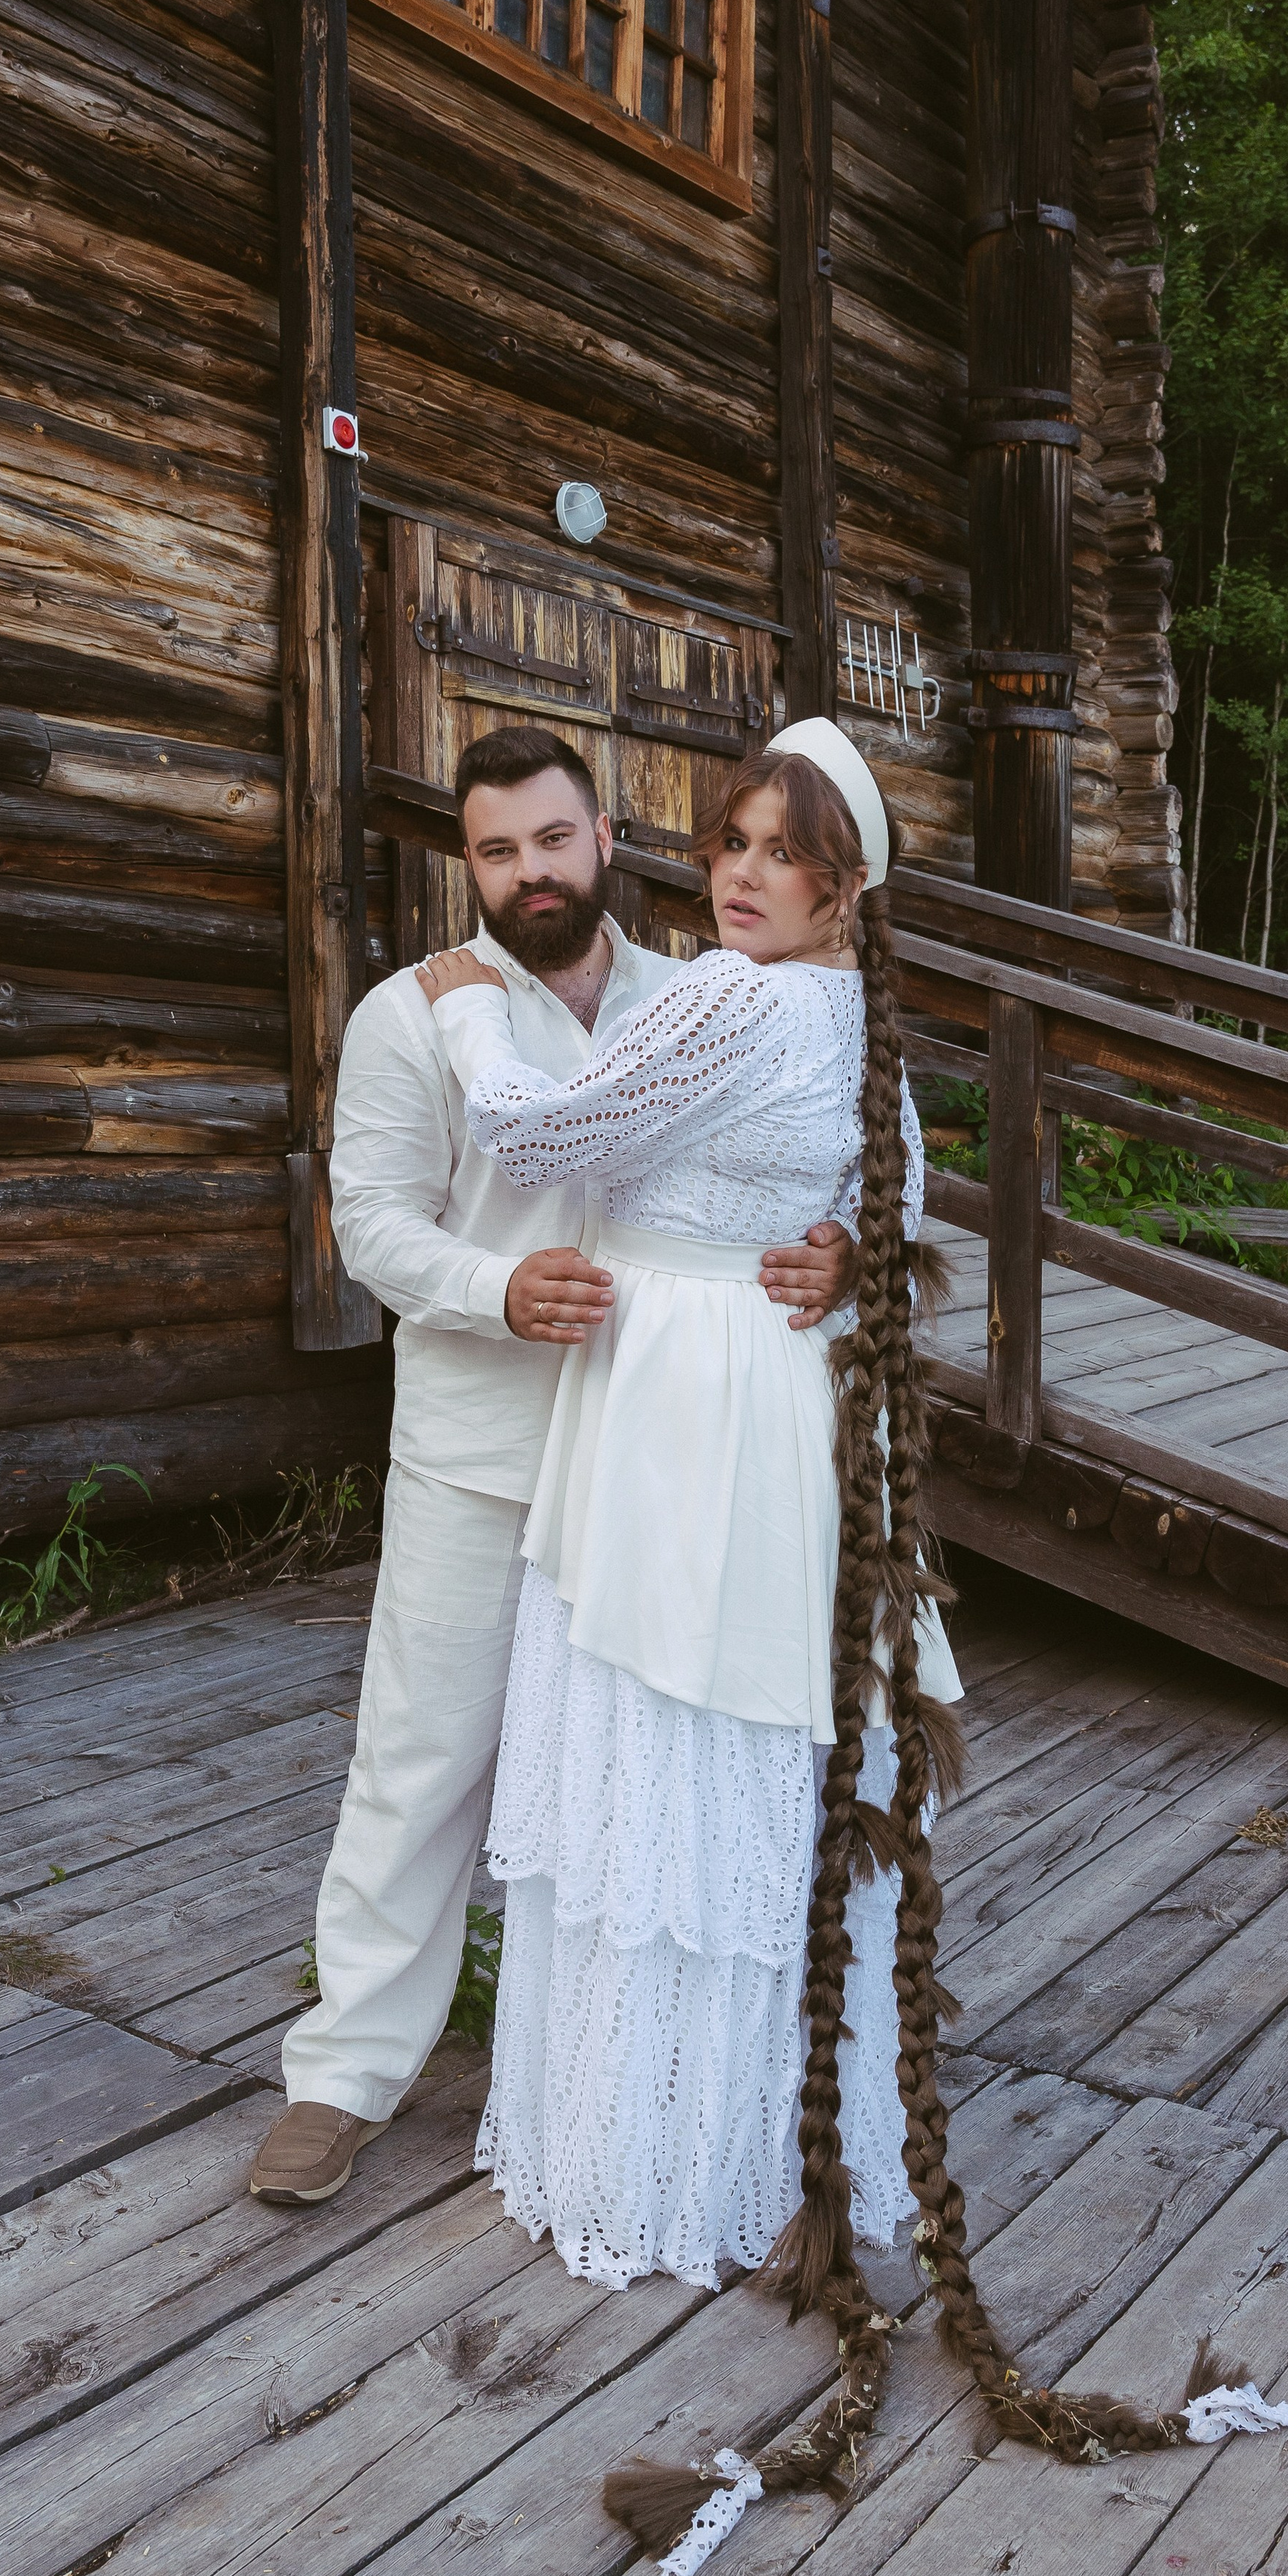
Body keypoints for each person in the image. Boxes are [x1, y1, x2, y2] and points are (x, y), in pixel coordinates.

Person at [246, 726, 858, 2207]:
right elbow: (370, 1224)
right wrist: (496, 1290)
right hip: (486, 1445)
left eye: (553, 839)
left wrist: (841, 1253)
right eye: (497, 849)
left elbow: (805, 1162)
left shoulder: (699, 989)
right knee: (423, 1762)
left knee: (624, 1777)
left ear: (607, 840)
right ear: (471, 864)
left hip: (655, 1458)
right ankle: (342, 2077)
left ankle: (590, 2070)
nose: (530, 870)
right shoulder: (414, 1014)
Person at [415, 717, 964, 2293]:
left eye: (786, 856)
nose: (742, 875)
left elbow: (543, 1130)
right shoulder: (856, 1018)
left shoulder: (736, 996)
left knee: (655, 1731)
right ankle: (757, 2143)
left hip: (680, 1399)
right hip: (780, 1398)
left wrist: (467, 1011)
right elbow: (897, 1188)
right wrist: (845, 1253)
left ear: (843, 887)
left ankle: (649, 2150)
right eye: (733, 842)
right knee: (750, 1746)